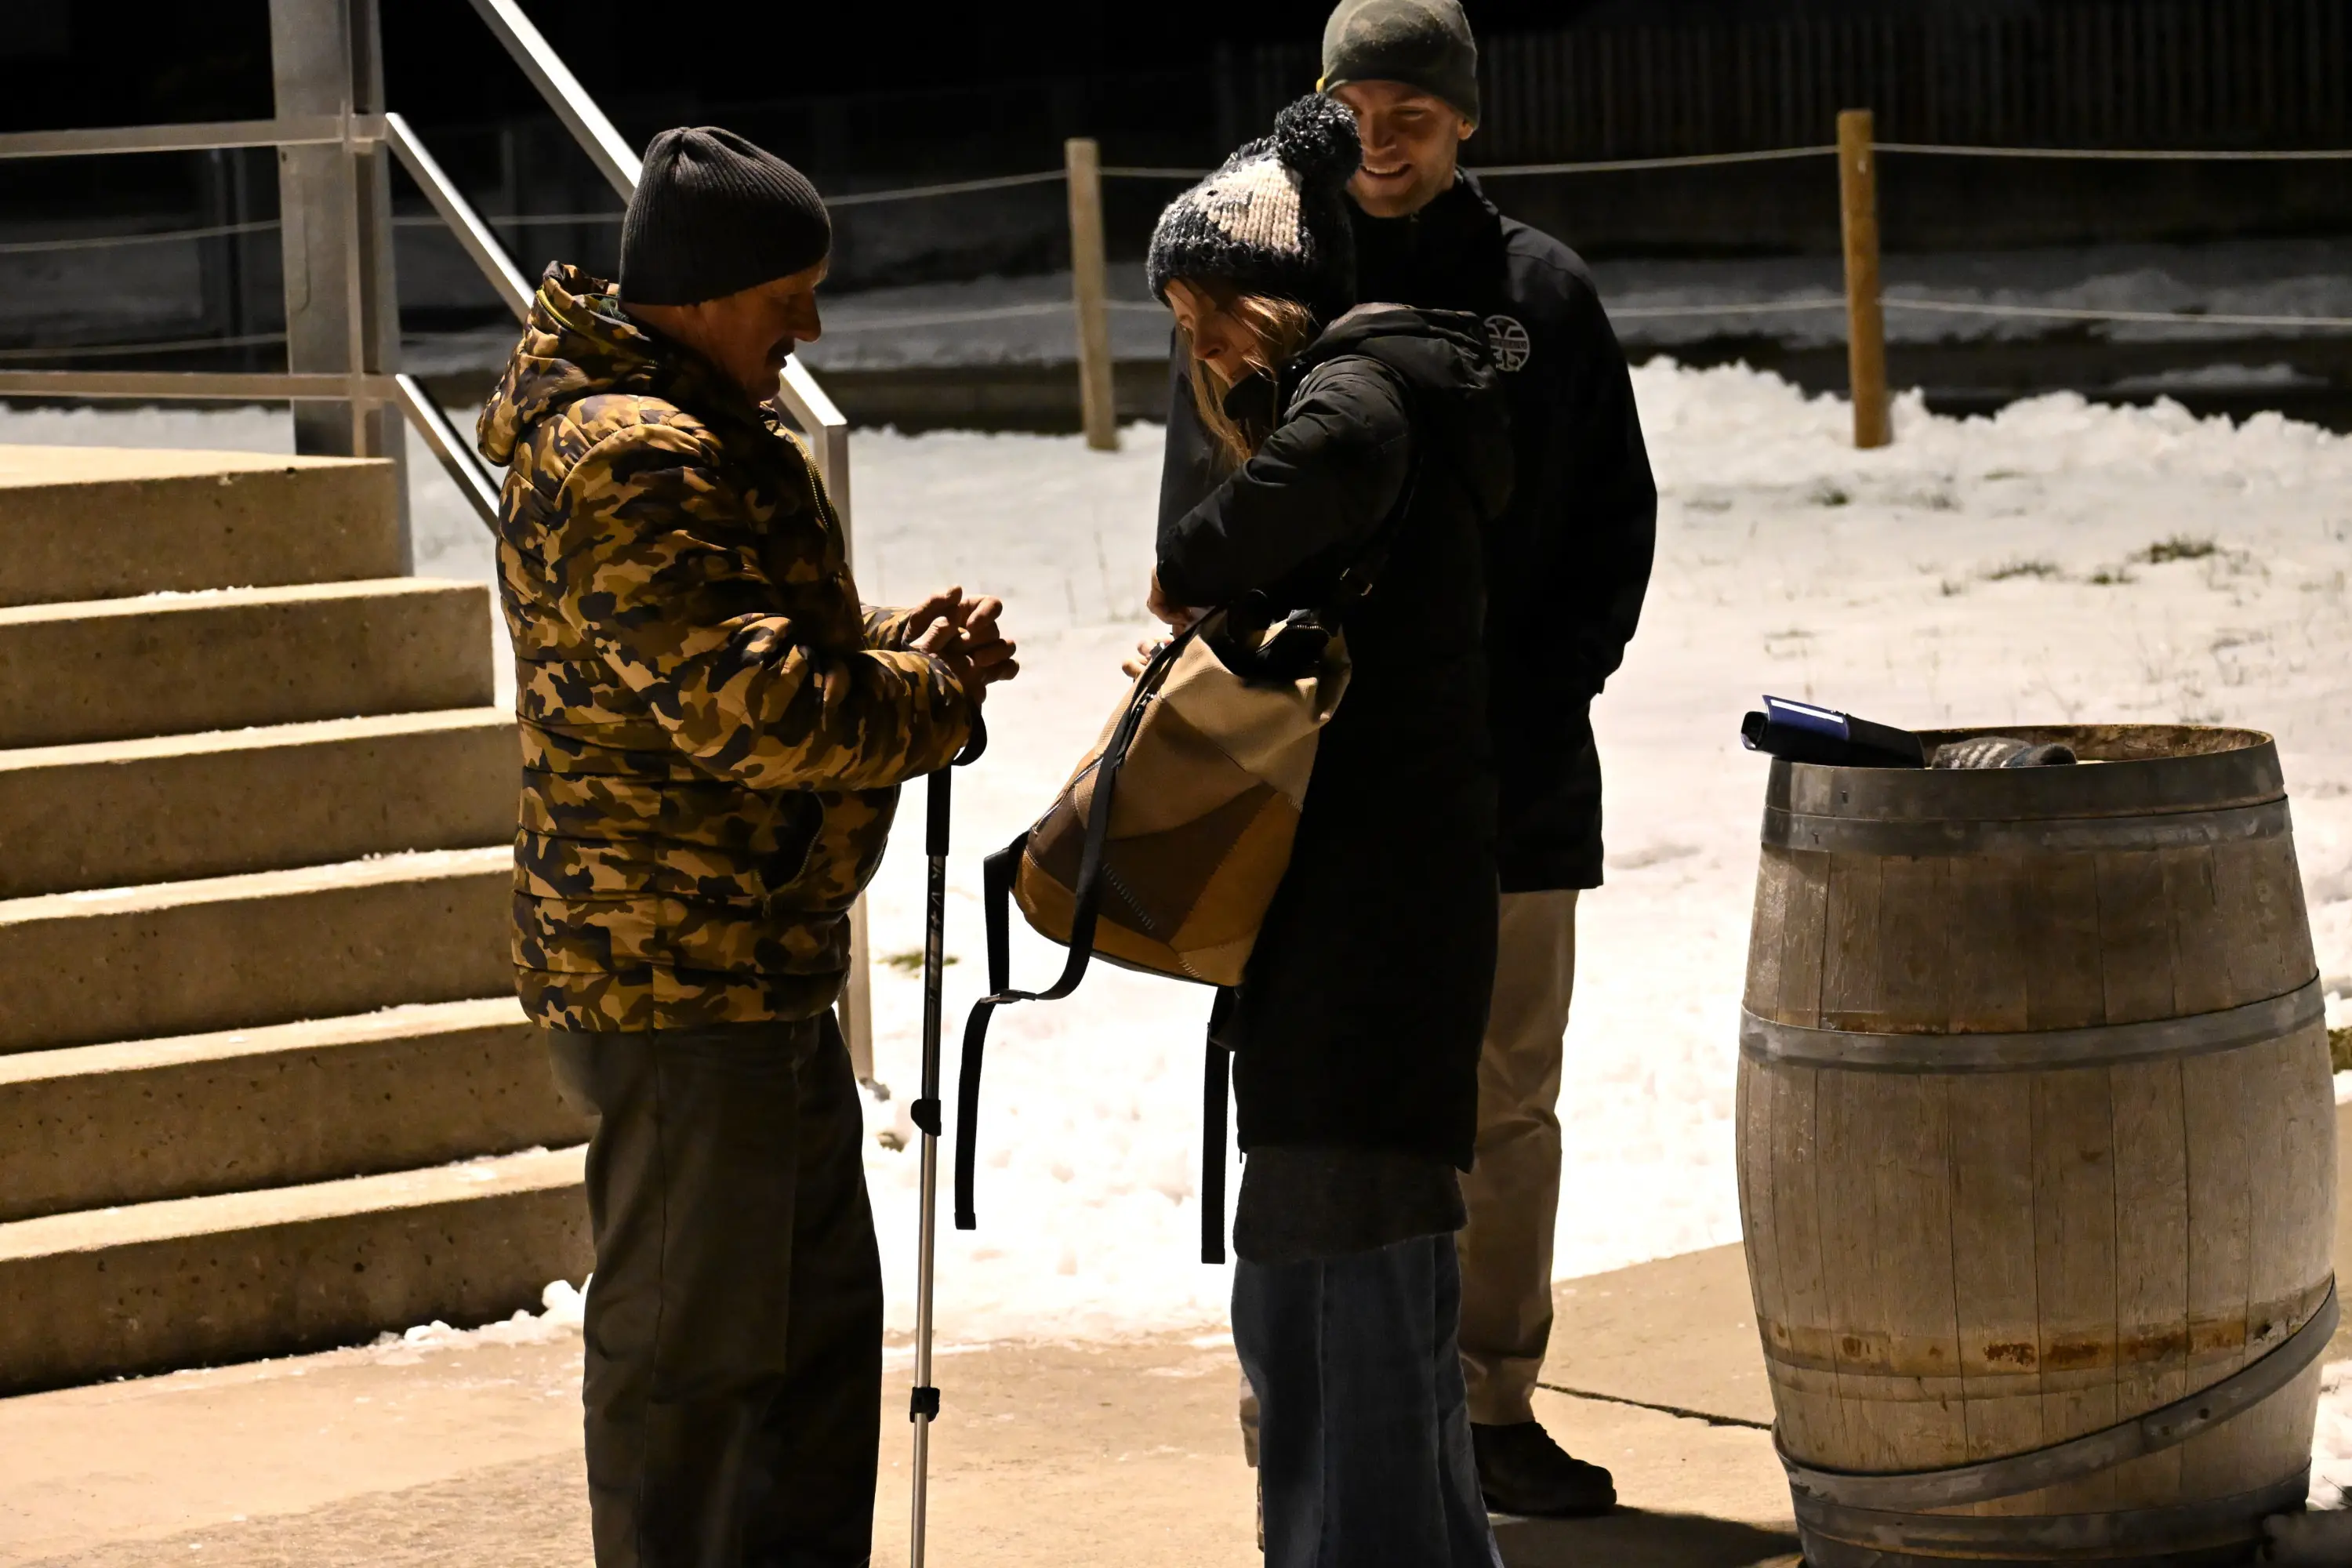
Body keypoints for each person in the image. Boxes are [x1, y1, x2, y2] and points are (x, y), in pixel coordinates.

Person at [475, 125, 1018, 1567]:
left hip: (747, 957)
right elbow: (754, 706)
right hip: (675, 974)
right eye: (792, 292)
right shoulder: (626, 454)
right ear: (711, 289)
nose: (811, 327)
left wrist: (893, 650)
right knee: (697, 1367)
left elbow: (743, 645)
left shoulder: (681, 424)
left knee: (808, 1341)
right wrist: (931, 699)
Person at [1158, 0, 1658, 1519]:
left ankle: (1489, 1398)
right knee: (1324, 1103)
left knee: (1502, 1106)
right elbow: (1206, 536)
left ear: (1468, 119)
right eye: (1357, 104)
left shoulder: (1541, 297)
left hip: (1515, 780)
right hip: (1311, 789)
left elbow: (1610, 538)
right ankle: (1319, 1391)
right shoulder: (1280, 281)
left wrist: (1513, 710)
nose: (1384, 133)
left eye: (1414, 109)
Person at [1145, 93, 1515, 1568]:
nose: (1202, 356)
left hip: (1363, 927)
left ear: (1268, 297)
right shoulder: (1401, 388)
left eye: (1205, 318)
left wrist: (1210, 577)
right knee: (1369, 1296)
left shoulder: (1350, 405)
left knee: (1338, 1295)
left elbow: (1203, 546)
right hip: (1384, 907)